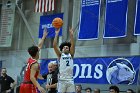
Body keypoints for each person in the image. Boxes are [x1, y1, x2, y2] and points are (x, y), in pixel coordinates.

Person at [19, 28, 48, 93]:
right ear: (37, 53)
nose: (39, 50)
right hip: (29, 86)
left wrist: (43, 37)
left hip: (23, 85)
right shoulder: (35, 64)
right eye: (38, 51)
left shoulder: (30, 59)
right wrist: (39, 86)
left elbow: (39, 46)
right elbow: (32, 77)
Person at [53, 27, 75, 93]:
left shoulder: (71, 55)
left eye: (67, 47)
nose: (65, 48)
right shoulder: (60, 55)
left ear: (69, 49)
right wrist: (56, 34)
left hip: (70, 80)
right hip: (62, 80)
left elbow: (73, 45)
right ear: (62, 50)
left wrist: (71, 35)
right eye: (64, 47)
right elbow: (54, 45)